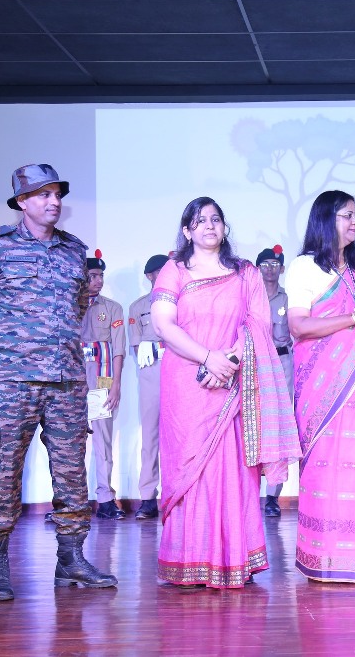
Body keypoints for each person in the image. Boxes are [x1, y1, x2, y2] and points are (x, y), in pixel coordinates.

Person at [0, 163, 116, 601]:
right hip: (12, 383)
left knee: (71, 473)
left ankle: (71, 560)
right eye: (43, 194)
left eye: (57, 194)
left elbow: (78, 306)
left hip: (65, 381)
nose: (54, 201)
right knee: (0, 472)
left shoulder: (74, 250)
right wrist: (2, 358)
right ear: (22, 201)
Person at [150, 197, 300, 589]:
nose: (209, 226)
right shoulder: (174, 270)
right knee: (191, 468)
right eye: (200, 221)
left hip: (234, 381)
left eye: (215, 219)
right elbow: (164, 325)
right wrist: (208, 358)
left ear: (224, 226)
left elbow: (258, 324)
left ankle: (235, 559)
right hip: (187, 384)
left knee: (234, 469)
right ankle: (189, 559)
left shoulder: (244, 272)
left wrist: (228, 361)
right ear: (187, 231)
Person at [285, 189, 355, 583]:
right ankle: (324, 558)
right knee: (326, 466)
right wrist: (354, 316)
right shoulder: (304, 267)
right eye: (347, 215)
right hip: (322, 387)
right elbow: (298, 325)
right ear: (326, 219)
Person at [81, 251, 126, 520]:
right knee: (67, 442)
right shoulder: (68, 306)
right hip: (73, 380)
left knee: (102, 439)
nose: (98, 281)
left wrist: (116, 385)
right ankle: (67, 502)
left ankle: (106, 498)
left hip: (102, 377)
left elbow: (118, 349)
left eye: (101, 276)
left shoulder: (112, 308)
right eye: (93, 276)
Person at [127, 254, 170, 520]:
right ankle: (147, 497)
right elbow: (136, 346)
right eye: (159, 271)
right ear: (150, 276)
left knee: (177, 435)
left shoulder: (182, 302)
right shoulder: (138, 307)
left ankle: (175, 494)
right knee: (151, 435)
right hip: (152, 371)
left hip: (178, 369)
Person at [256, 245, 292, 518]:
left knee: (279, 427)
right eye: (264, 264)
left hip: (282, 365)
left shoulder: (288, 299)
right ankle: (248, 494)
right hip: (255, 366)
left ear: (281, 269)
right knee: (253, 426)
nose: (269, 269)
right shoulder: (249, 299)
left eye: (274, 264)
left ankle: (272, 497)